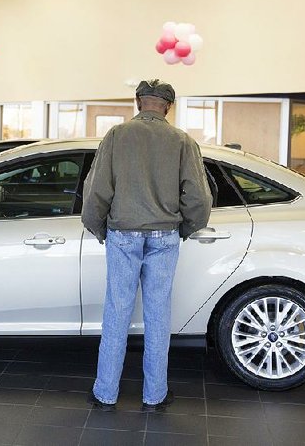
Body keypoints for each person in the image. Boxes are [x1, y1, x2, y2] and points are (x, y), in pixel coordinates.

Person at [82, 79, 213, 412]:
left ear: (138, 101)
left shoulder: (116, 136)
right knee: (158, 315)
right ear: (168, 106)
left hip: (123, 234)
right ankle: (154, 395)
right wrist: (185, 227)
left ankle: (105, 393)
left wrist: (98, 228)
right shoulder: (183, 141)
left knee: (116, 313)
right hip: (164, 235)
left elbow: (97, 189)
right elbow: (198, 197)